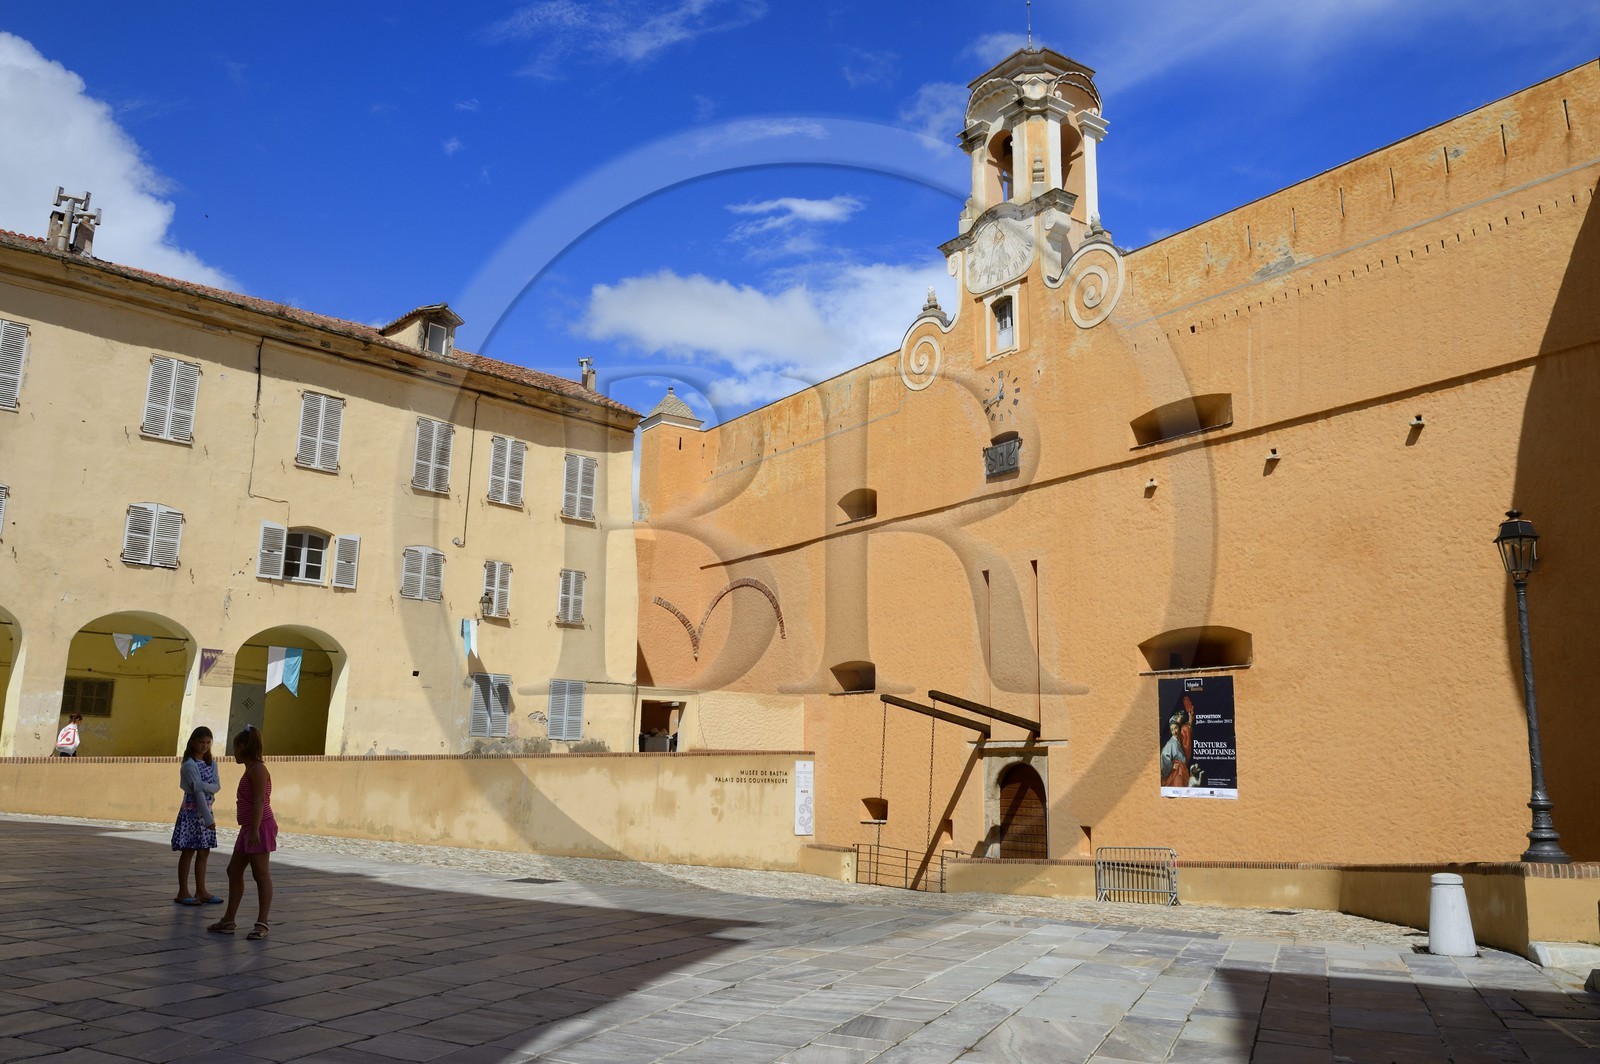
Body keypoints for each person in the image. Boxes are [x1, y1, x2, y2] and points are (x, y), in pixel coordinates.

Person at [207, 725, 275, 940]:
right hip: (248, 828)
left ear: (244, 747)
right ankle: (229, 920)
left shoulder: (258, 770)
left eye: (235, 747)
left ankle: (262, 923)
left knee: (260, 874)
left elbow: (259, 801)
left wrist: (254, 830)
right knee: (233, 871)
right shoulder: (250, 769)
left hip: (260, 826)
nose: (233, 752)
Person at [172, 727, 222, 906]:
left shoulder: (212, 764)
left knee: (204, 850)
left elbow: (216, 786)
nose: (205, 746)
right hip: (193, 813)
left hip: (206, 810)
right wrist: (208, 819)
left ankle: (201, 891)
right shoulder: (189, 765)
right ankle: (182, 891)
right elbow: (196, 793)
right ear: (193, 741)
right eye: (201, 742)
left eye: (208, 742)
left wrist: (202, 785)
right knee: (189, 850)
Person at [1161, 719, 1190, 787]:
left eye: (1176, 728)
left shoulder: (1178, 741)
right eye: (1172, 730)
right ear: (1170, 732)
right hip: (1176, 772)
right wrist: (1171, 766)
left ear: (1179, 728)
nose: (1174, 731)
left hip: (1182, 770)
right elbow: (1163, 755)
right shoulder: (1170, 743)